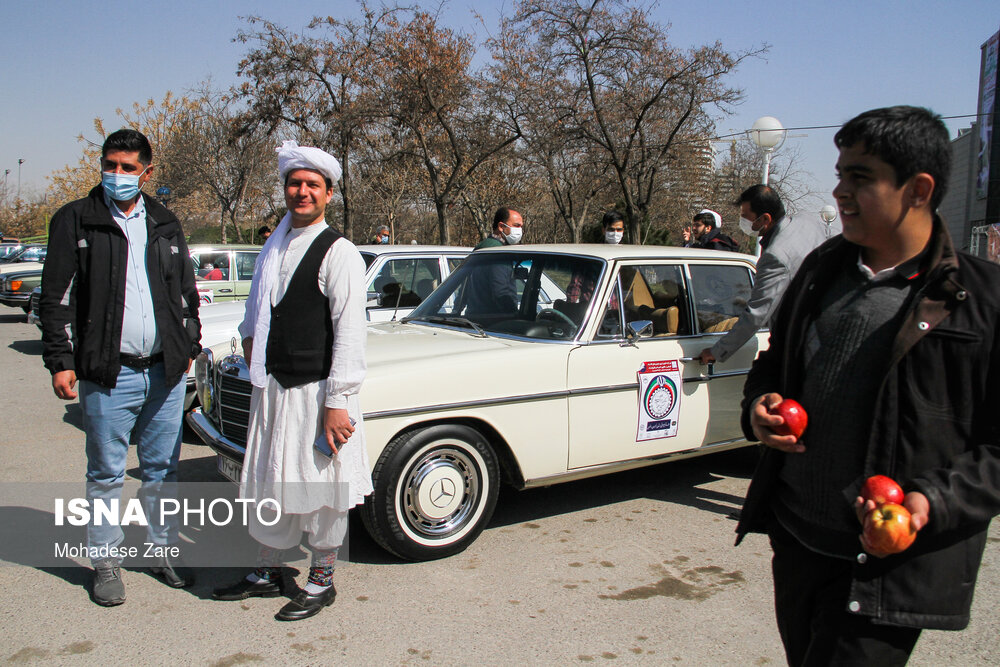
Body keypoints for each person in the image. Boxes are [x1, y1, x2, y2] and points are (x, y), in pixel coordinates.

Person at [736, 105, 1000, 666]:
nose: (839, 192)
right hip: (798, 541)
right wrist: (759, 406)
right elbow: (774, 365)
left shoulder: (981, 302)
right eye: (839, 175)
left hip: (886, 569)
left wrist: (930, 501)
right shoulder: (820, 269)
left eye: (860, 177)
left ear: (919, 189)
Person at [39, 128, 202, 606]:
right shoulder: (76, 220)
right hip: (109, 374)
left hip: (165, 373)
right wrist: (60, 360)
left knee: (161, 469)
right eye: (110, 165)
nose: (117, 175)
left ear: (146, 172)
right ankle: (105, 562)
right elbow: (56, 299)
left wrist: (188, 342)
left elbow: (186, 295)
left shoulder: (166, 223)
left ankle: (161, 549)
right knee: (108, 472)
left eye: (128, 168)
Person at [212, 140, 371, 622]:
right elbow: (256, 308)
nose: (302, 192)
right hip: (274, 388)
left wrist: (338, 401)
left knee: (322, 487)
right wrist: (247, 342)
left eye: (312, 186)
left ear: (327, 194)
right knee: (271, 480)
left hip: (317, 392)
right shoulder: (273, 243)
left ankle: (322, 579)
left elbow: (349, 331)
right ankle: (268, 570)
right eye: (295, 183)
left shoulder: (339, 252)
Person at [697, 186, 835, 365]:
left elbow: (756, 314)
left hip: (801, 342)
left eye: (746, 217)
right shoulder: (806, 220)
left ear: (765, 219)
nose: (743, 222)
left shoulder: (775, 256)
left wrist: (717, 350)